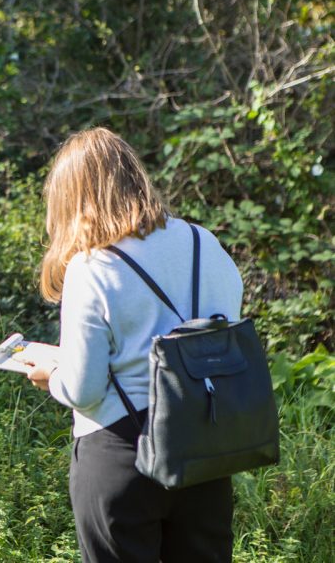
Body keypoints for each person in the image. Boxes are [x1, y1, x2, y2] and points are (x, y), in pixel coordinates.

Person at [16, 127, 242, 562]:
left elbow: (84, 389)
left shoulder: (92, 267)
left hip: (122, 453)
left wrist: (52, 372)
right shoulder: (205, 243)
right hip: (204, 452)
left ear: (72, 198)